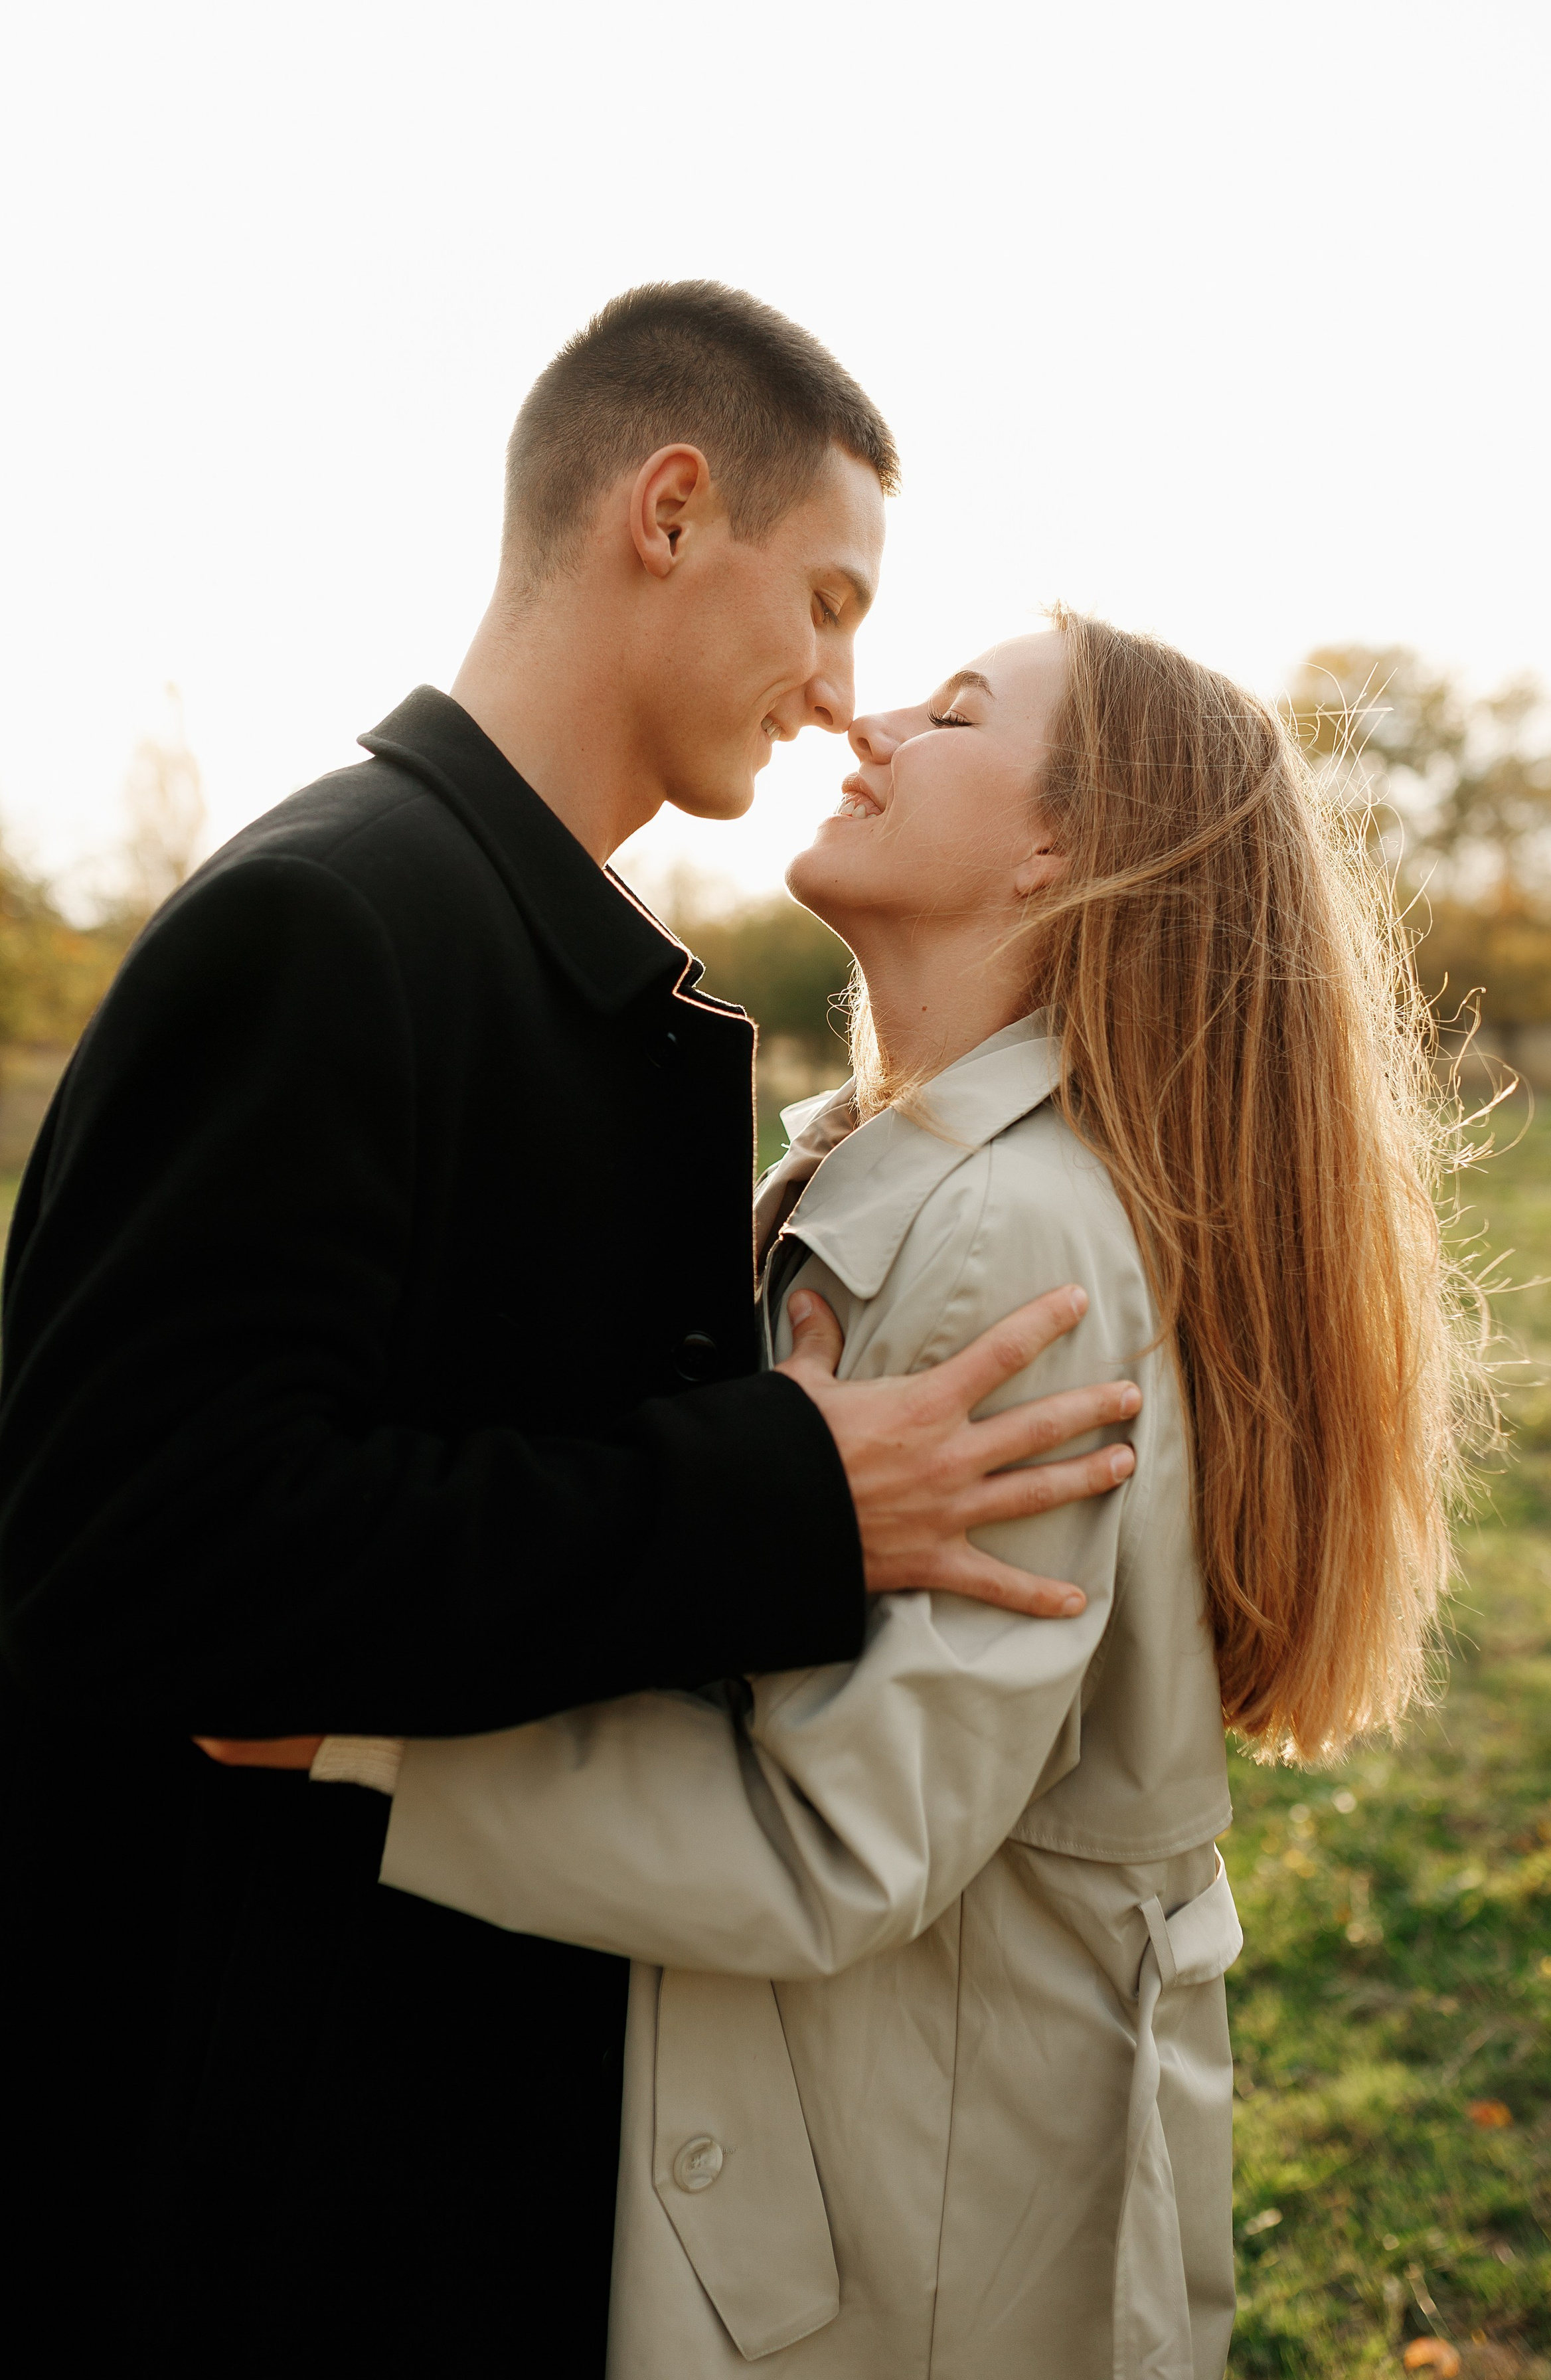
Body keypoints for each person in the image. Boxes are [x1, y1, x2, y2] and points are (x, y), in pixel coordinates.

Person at [0, 288, 1139, 2363]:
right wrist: (774, 1498)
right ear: (672, 510)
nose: (838, 692)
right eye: (831, 600)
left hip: (435, 2130)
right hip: (256, 2180)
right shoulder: (332, 921)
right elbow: (134, 1564)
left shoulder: (558, 954)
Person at [290, 614, 1473, 2377]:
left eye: (955, 708)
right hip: (873, 2154)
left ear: (1069, 844)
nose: (866, 715)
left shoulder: (1016, 1230)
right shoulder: (872, 1161)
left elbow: (850, 1838)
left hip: (918, 2224)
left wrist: (347, 1736)